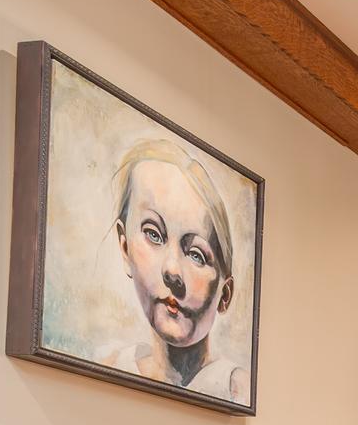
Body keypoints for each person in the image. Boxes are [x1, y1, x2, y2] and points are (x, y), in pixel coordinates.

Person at [98, 138, 248, 405]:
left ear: (225, 294)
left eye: (196, 255)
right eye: (154, 235)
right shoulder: (112, 366)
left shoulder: (236, 388)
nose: (172, 270)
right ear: (125, 247)